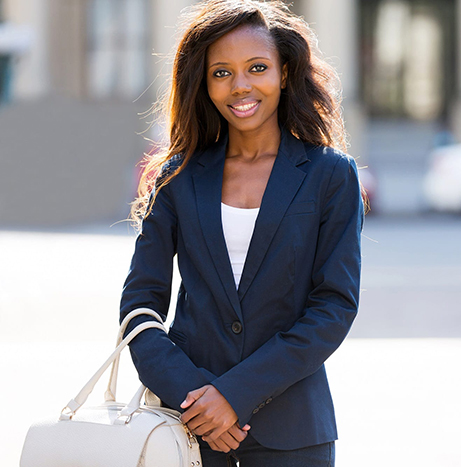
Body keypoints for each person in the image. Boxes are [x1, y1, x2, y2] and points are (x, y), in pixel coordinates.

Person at [119, 1, 364, 465]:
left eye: (257, 68)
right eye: (221, 73)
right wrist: (195, 397)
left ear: (286, 73)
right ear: (204, 84)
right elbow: (138, 308)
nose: (241, 86)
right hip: (186, 432)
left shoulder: (330, 175)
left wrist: (234, 394)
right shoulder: (177, 177)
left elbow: (333, 306)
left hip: (293, 433)